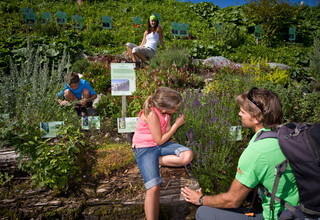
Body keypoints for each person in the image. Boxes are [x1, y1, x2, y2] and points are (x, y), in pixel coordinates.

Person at [181, 88, 300, 220]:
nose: (239, 114)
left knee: (203, 213)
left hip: (279, 217)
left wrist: (201, 199)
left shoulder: (257, 151)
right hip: (300, 210)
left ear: (257, 118)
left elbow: (233, 200)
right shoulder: (288, 134)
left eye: (243, 112)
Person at [132, 87, 193, 220]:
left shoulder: (166, 114)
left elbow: (166, 132)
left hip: (160, 146)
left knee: (187, 155)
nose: (177, 110)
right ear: (164, 108)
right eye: (176, 108)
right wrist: (177, 125)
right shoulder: (152, 114)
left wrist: (172, 125)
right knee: (153, 188)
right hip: (145, 148)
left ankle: (156, 161)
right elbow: (159, 139)